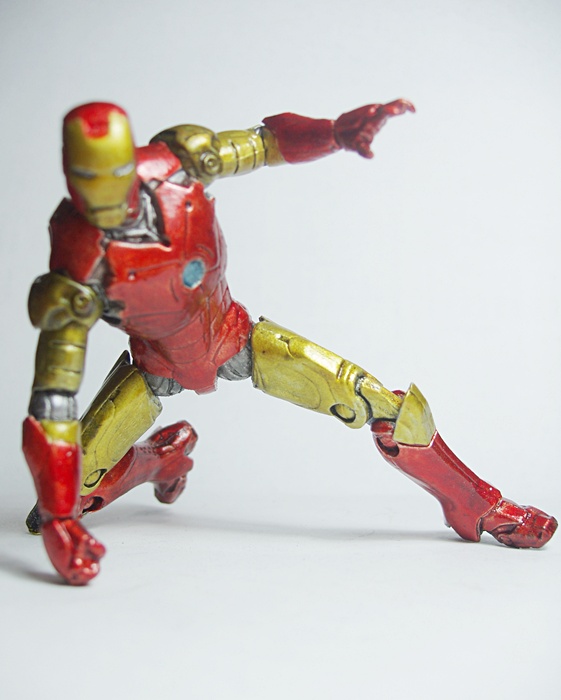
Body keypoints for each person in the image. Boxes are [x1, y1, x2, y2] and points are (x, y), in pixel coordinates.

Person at [23, 99, 557, 585]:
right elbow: (52, 402)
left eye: (112, 175)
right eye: (86, 180)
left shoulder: (182, 161)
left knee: (384, 405)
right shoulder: (75, 268)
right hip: (155, 364)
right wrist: (59, 519)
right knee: (72, 489)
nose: (103, 197)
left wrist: (334, 133)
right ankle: (156, 460)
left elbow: (264, 144)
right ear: (69, 175)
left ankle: (476, 505)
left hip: (234, 336)